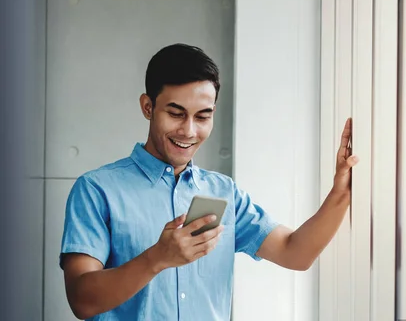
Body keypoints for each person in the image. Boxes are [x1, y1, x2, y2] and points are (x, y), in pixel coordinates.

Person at [60, 43, 358, 320]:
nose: (189, 131)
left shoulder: (223, 192)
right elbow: (82, 300)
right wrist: (157, 258)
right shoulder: (97, 190)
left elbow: (296, 253)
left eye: (203, 117)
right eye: (176, 114)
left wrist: (341, 190)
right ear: (148, 107)